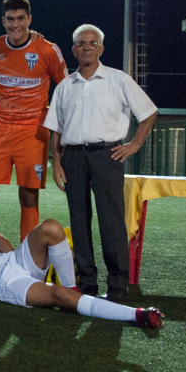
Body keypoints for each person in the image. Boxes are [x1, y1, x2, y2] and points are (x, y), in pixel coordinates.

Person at [0, 196, 164, 330]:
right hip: (3, 283)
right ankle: (137, 314)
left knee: (51, 227)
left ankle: (73, 288)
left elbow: (7, 249)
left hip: (13, 260)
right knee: (58, 295)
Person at [44, 24, 157, 302]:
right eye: (81, 43)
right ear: (73, 50)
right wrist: (57, 162)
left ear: (101, 49)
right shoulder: (65, 86)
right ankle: (87, 283)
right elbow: (56, 129)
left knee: (111, 220)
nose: (86, 47)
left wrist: (134, 144)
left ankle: (117, 285)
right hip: (73, 157)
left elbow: (149, 112)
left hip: (107, 155)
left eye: (92, 43)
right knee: (78, 219)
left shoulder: (118, 79)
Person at [0, 0, 67, 241]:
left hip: (32, 132)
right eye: (10, 19)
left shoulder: (47, 49)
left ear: (29, 19)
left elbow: (66, 87)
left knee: (28, 195)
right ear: (3, 21)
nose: (15, 24)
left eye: (20, 18)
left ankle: (28, 253)